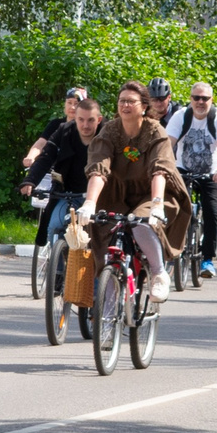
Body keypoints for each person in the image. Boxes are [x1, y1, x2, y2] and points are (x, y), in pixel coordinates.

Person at [81, 81, 189, 304]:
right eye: (122, 101)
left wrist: (157, 204)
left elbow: (160, 170)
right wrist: (90, 203)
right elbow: (98, 169)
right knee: (104, 236)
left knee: (141, 224)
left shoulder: (155, 131)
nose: (125, 105)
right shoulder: (110, 131)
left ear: (144, 106)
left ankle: (159, 274)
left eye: (131, 101)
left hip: (152, 192)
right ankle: (108, 307)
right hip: (118, 194)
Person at [166, 83, 217, 277]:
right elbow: (167, 143)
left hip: (213, 172)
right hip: (182, 169)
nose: (200, 102)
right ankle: (170, 252)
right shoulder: (181, 117)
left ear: (211, 100)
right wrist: (163, 165)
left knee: (212, 211)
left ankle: (207, 259)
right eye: (196, 98)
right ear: (190, 99)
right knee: (174, 207)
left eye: (205, 98)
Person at [22, 92, 101, 248]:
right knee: (55, 227)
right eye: (81, 120)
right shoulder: (64, 130)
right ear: (75, 118)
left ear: (99, 119)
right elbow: (46, 156)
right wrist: (30, 180)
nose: (85, 125)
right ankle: (57, 271)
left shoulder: (107, 132)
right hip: (68, 193)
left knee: (97, 234)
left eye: (91, 120)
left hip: (99, 195)